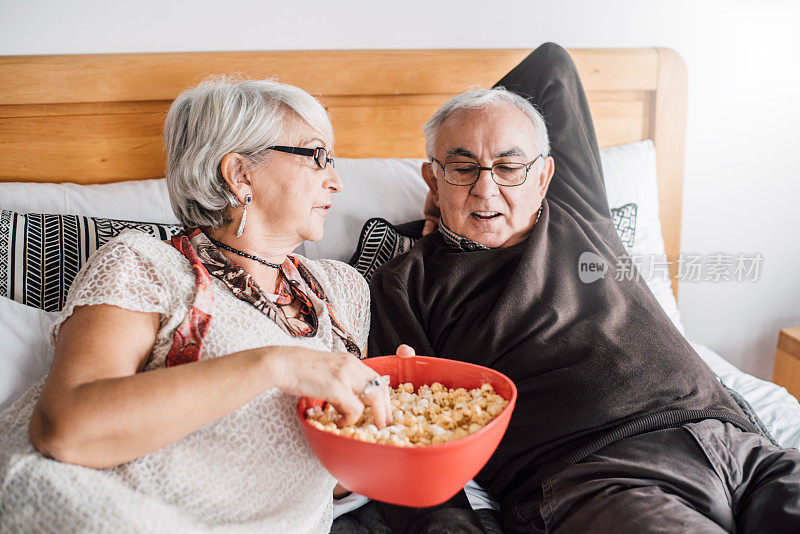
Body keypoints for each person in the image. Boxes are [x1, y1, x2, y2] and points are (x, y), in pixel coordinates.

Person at [367, 43, 800, 533]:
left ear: (544, 175)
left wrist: (479, 120)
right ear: (432, 177)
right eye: (463, 168)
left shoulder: (578, 210)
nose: (486, 190)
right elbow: (403, 439)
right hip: (598, 474)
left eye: (509, 166)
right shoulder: (405, 282)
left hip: (739, 446)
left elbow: (551, 66)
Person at [0, 77, 394, 533]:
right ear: (240, 173)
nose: (337, 181)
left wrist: (393, 428)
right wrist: (275, 365)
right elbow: (65, 428)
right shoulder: (146, 263)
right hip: (106, 509)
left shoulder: (345, 291)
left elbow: (332, 479)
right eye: (317, 156)